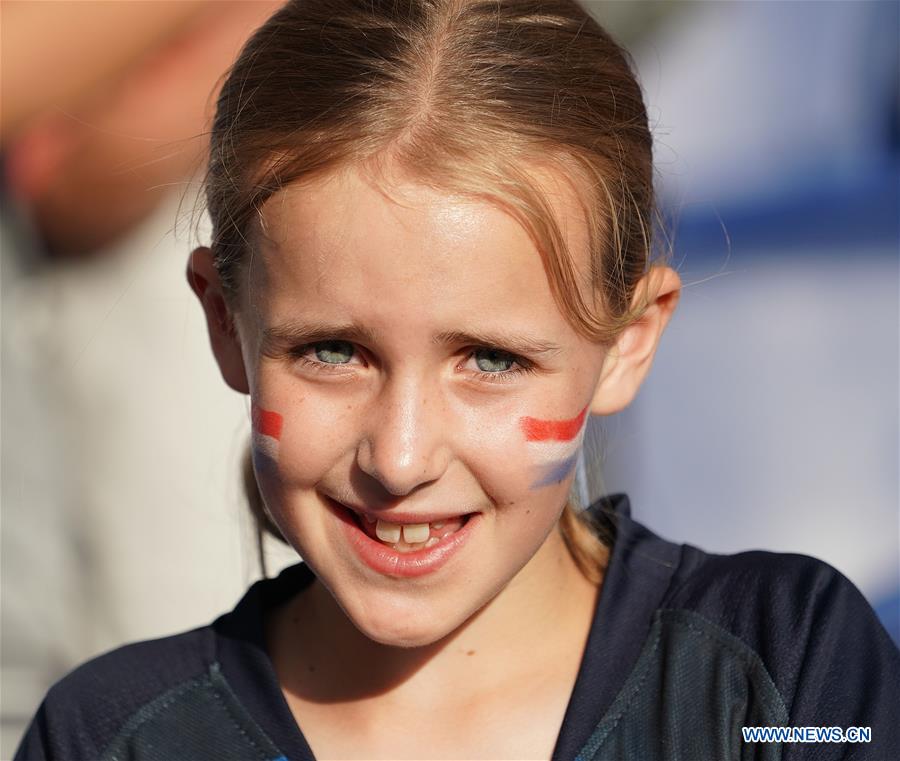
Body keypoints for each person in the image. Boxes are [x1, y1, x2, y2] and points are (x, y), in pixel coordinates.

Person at [14, 1, 900, 759]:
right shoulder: (112, 735)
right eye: (332, 350)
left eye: (491, 359)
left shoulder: (785, 675)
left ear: (628, 342)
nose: (399, 457)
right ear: (223, 320)